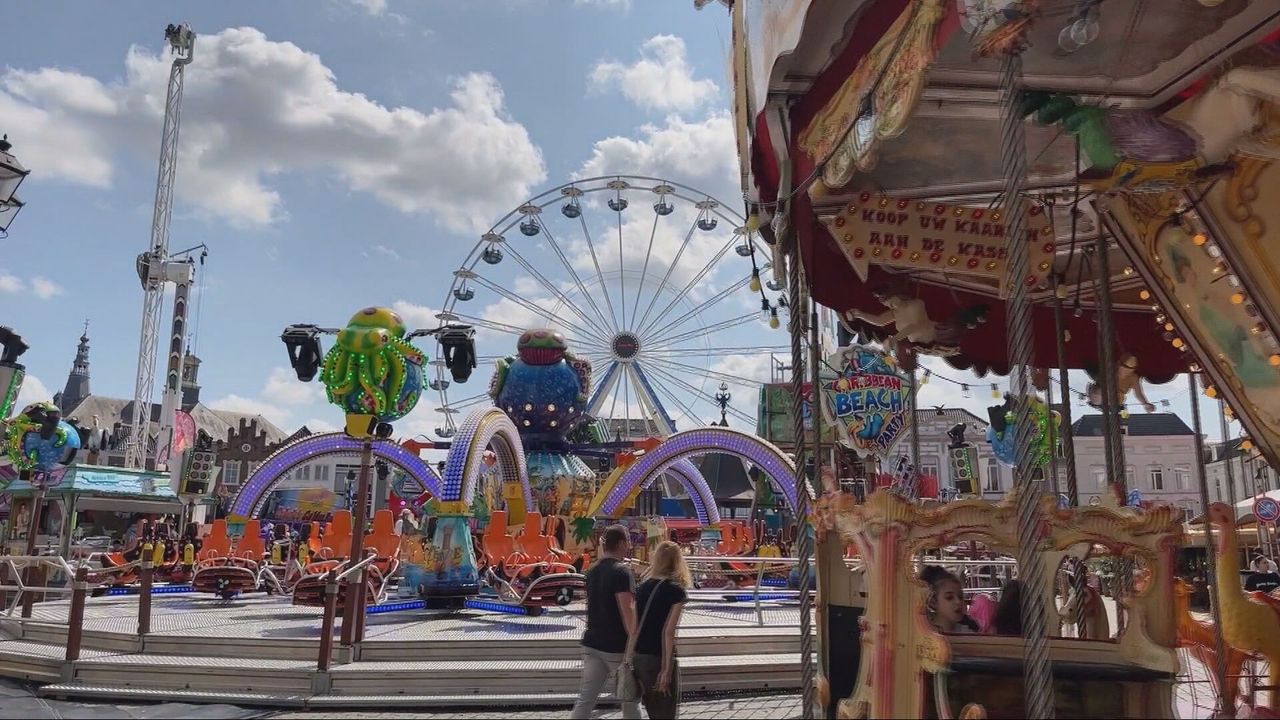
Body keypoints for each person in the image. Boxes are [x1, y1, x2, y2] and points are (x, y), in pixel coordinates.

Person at [571, 525, 639, 720]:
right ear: (621, 543)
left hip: (592, 642)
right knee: (630, 699)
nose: (629, 546)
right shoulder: (622, 572)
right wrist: (634, 643)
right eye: (627, 541)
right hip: (616, 647)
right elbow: (628, 611)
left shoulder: (592, 571)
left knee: (586, 699)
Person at [633, 540, 690, 719]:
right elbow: (668, 632)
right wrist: (666, 670)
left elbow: (634, 626)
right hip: (659, 657)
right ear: (677, 561)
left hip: (640, 657)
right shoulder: (676, 591)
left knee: (652, 711)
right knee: (665, 713)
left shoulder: (642, 587)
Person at [921, 565, 978, 633]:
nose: (958, 602)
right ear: (933, 602)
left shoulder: (969, 634)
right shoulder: (923, 634)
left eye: (960, 597)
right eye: (949, 597)